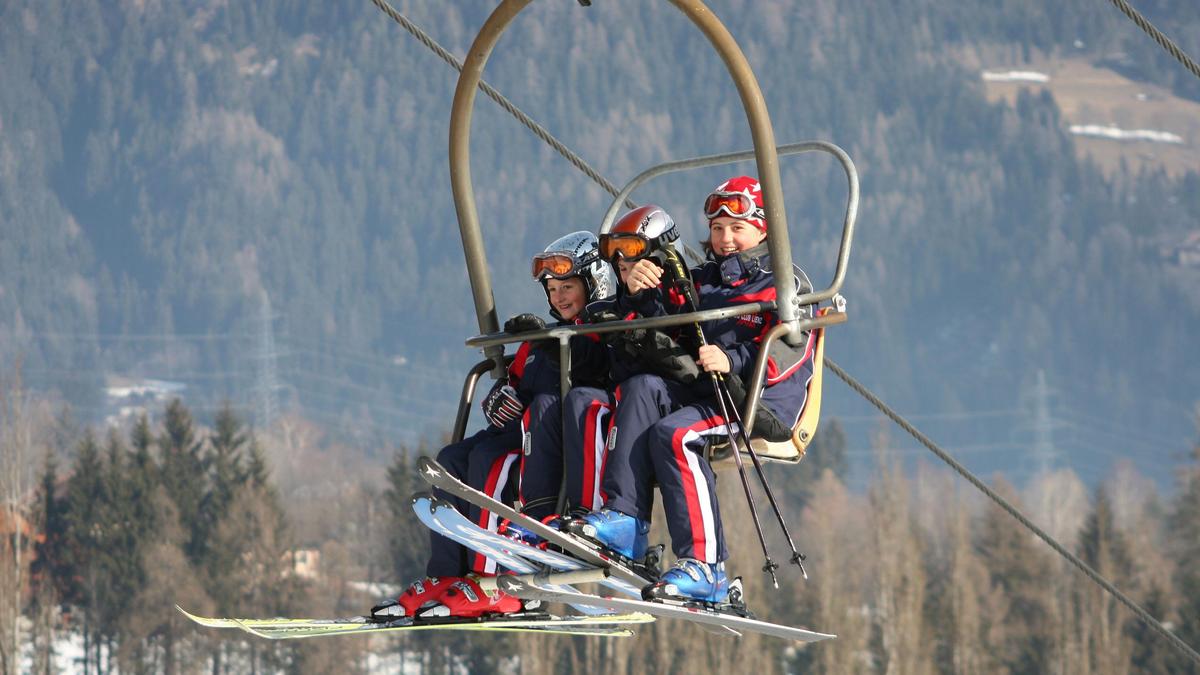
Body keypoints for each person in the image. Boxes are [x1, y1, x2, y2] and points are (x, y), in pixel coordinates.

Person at [567, 176, 816, 604]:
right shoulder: (702, 281)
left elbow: (787, 352)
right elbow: (674, 328)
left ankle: (706, 564)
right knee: (641, 388)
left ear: (763, 230)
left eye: (737, 228)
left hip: (755, 399)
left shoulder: (786, 285)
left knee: (675, 435)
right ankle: (626, 520)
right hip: (707, 388)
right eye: (718, 228)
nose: (725, 238)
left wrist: (733, 360)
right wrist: (641, 294)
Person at [372, 231, 614, 619]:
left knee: (490, 463)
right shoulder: (537, 343)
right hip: (514, 431)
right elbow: (512, 384)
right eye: (552, 289)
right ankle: (447, 575)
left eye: (568, 286)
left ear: (593, 283)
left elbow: (594, 369)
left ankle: (489, 579)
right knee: (451, 460)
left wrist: (553, 345)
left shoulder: (601, 330)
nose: (559, 297)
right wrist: (500, 398)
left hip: (553, 444)